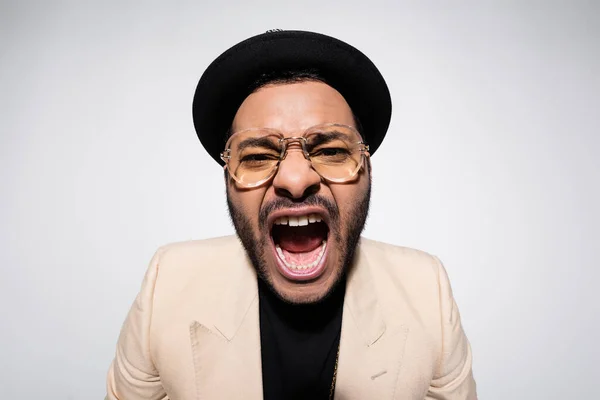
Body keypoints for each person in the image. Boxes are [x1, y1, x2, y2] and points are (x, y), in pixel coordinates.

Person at [105, 30, 477, 400]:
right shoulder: (167, 286)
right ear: (227, 180)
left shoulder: (427, 293)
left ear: (366, 171)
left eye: (331, 149)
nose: (296, 180)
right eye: (256, 156)